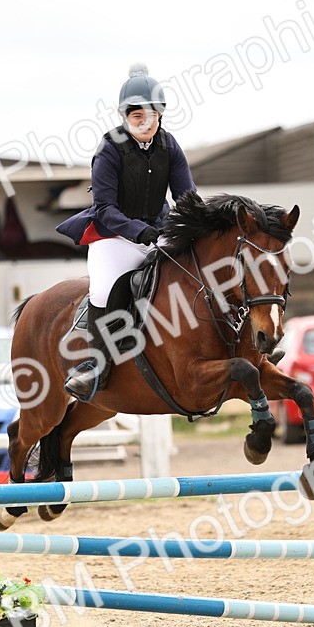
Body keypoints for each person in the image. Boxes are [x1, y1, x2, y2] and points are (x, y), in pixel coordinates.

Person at [55, 63, 197, 400]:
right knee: (104, 289)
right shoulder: (109, 149)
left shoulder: (170, 145)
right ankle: (95, 367)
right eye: (137, 117)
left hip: (158, 231)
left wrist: (200, 223)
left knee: (197, 270)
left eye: (151, 115)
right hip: (114, 236)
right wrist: (139, 231)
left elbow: (186, 196)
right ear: (125, 117)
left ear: (160, 115)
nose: (145, 122)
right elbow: (105, 208)